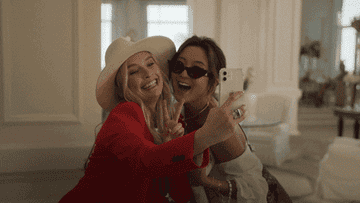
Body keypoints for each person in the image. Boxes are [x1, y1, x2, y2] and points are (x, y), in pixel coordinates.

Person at [59, 36, 245, 203]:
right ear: (121, 85)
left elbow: (181, 195)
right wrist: (204, 137)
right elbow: (145, 161)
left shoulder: (166, 120)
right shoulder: (123, 114)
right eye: (133, 72)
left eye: (150, 64)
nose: (147, 74)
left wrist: (172, 145)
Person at [168, 35, 292, 203]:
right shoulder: (179, 110)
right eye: (178, 65)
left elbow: (256, 190)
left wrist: (206, 181)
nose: (183, 73)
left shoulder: (219, 124)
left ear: (213, 82)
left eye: (195, 71)